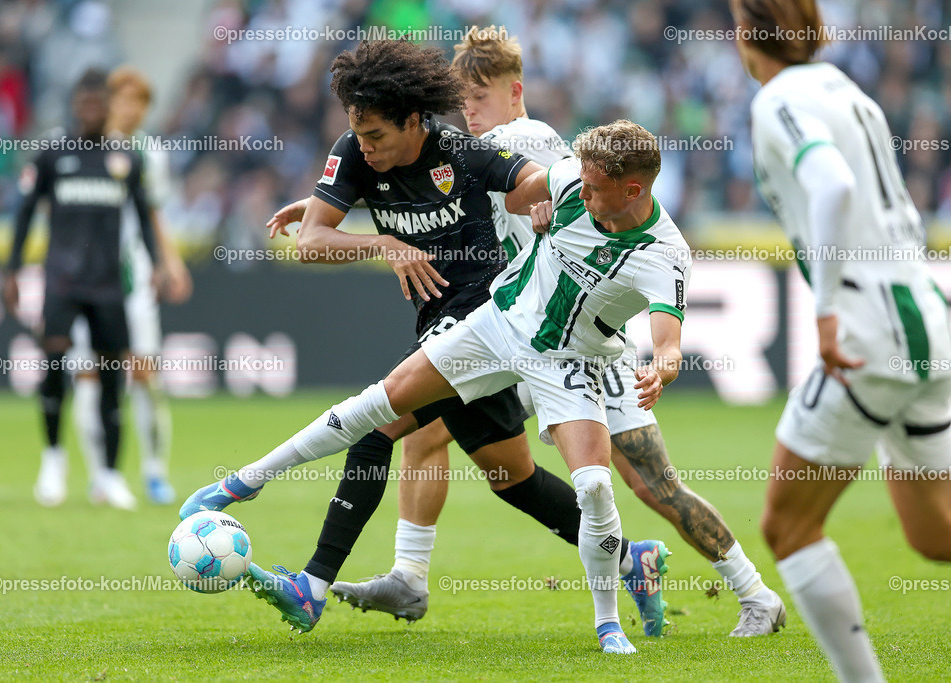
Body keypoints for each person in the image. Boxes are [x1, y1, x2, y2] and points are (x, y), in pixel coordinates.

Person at [182, 40, 662, 651]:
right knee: (510, 475)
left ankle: (310, 582)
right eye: (357, 133)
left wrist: (565, 193)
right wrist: (379, 243)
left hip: (486, 321)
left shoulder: (460, 152)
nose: (365, 146)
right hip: (443, 326)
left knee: (376, 427)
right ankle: (631, 560)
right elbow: (312, 242)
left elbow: (528, 184)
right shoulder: (356, 153)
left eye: (378, 134)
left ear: (414, 122)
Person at [331, 25, 785, 638]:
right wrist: (330, 208)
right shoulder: (475, 151)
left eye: (479, 98)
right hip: (519, 333)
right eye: (461, 99)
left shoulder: (529, 142)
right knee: (418, 432)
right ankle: (411, 574)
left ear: (512, 92)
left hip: (580, 349)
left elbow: (568, 194)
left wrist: (546, 201)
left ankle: (748, 590)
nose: (468, 111)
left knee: (650, 484)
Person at [730, 0, 951, 679]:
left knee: (786, 525)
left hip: (870, 330)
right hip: (926, 321)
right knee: (939, 530)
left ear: (749, 32)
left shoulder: (778, 97)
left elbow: (832, 183)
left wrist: (826, 312)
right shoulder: (850, 90)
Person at [4, 68, 158, 507]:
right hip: (61, 282)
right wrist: (13, 269)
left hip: (108, 285)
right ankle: (53, 460)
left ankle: (109, 475)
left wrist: (157, 264)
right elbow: (24, 211)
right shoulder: (53, 153)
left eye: (98, 104)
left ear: (107, 108)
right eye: (84, 103)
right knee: (54, 363)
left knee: (112, 377)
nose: (91, 110)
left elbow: (144, 216)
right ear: (75, 105)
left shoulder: (126, 158)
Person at [67, 66, 193, 508]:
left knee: (145, 374)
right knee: (89, 376)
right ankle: (101, 475)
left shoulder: (149, 154)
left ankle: (155, 472)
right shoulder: (80, 147)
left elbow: (154, 215)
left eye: (142, 103)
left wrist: (171, 263)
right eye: (126, 100)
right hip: (85, 280)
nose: (134, 110)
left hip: (133, 279)